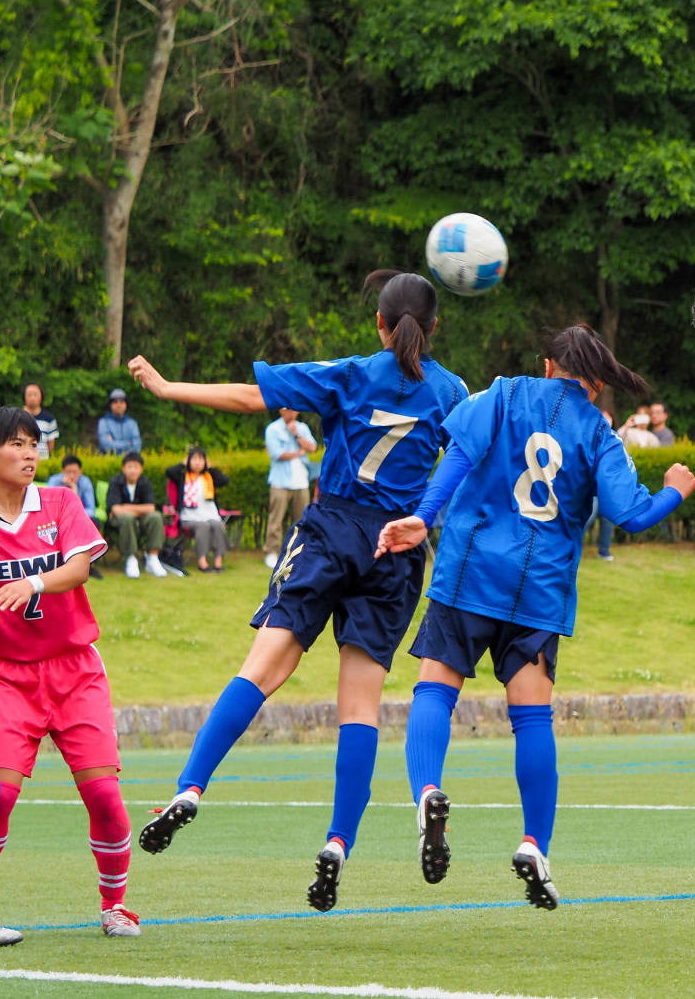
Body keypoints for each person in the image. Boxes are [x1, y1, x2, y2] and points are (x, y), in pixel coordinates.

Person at [128, 268, 469, 913]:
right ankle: (339, 840)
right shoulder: (452, 391)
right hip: (395, 548)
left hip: (332, 529)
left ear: (379, 323)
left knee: (262, 667)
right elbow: (475, 459)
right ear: (433, 328)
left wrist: (170, 387)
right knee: (360, 705)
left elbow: (248, 398)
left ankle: (191, 787)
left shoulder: (351, 373)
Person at [375, 324, 695, 909]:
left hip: (468, 573)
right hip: (537, 592)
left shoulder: (501, 392)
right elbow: (631, 514)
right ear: (595, 384)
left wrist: (424, 516)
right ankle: (533, 844)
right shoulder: (598, 430)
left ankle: (426, 791)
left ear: (549, 365)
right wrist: (675, 488)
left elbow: (461, 454)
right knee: (531, 719)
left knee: (435, 689)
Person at [0, 407, 138, 943]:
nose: (30, 454)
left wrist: (31, 584)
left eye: (35, 444)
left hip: (75, 672)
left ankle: (115, 906)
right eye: (16, 444)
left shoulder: (59, 500)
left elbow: (79, 567)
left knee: (104, 797)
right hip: (3, 677)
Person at [264, 407, 316, 569]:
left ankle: (298, 552)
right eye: (288, 409)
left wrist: (297, 435)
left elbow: (312, 447)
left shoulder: (302, 428)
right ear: (280, 411)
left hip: (301, 481)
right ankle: (272, 552)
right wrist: (299, 453)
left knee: (301, 520)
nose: (292, 412)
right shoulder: (273, 429)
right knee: (276, 519)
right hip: (280, 481)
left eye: (294, 409)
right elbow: (277, 453)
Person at [165, 448, 231, 573]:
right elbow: (169, 472)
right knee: (203, 526)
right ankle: (202, 561)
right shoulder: (182, 477)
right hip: (189, 517)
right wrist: (182, 464)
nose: (197, 462)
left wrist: (210, 468)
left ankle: (218, 562)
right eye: (193, 459)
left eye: (200, 459)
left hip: (210, 515)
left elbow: (224, 480)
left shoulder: (209, 477)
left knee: (218, 525)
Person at [105, 452, 167, 579]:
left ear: (141, 469)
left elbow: (150, 507)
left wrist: (127, 507)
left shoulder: (145, 483)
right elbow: (115, 509)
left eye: (136, 467)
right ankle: (131, 558)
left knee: (155, 516)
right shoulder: (116, 482)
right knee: (128, 518)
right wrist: (135, 510)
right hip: (119, 520)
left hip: (140, 518)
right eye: (129, 466)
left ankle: (153, 558)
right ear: (123, 468)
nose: (132, 470)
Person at [48, 454, 103, 580]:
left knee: (93, 522)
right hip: (58, 518)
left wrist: (74, 491)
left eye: (75, 472)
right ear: (62, 471)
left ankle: (89, 565)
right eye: (68, 472)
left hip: (80, 517)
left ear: (80, 472)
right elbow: (49, 508)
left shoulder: (85, 482)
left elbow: (91, 509)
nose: (71, 476)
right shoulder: (54, 481)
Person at [583, 409, 618, 561]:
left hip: (606, 489)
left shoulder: (615, 440)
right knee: (588, 517)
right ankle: (571, 546)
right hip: (590, 488)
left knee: (608, 518)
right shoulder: (586, 437)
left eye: (608, 416)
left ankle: (604, 550)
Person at [96, 389, 142, 456]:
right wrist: (128, 444)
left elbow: (137, 446)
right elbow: (105, 445)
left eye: (122, 401)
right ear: (110, 404)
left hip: (128, 462)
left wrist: (113, 443)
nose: (118, 404)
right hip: (109, 462)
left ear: (126, 404)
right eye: (115, 401)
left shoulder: (132, 423)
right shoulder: (103, 422)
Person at [21, 383, 59, 461]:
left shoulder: (49, 418)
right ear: (24, 397)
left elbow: (51, 442)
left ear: (41, 396)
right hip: (22, 459)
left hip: (42, 460)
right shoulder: (17, 417)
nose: (32, 397)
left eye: (35, 394)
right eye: (29, 395)